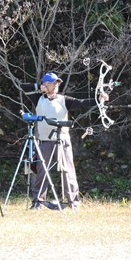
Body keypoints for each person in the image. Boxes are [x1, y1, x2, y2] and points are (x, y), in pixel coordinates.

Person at [20, 72, 109, 210]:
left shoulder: (63, 99)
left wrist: (98, 99)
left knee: (68, 170)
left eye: (57, 84)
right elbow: (23, 86)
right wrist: (40, 86)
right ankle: (37, 202)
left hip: (62, 140)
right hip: (44, 140)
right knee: (42, 171)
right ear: (45, 85)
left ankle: (73, 202)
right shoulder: (38, 98)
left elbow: (81, 103)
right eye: (53, 83)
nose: (56, 86)